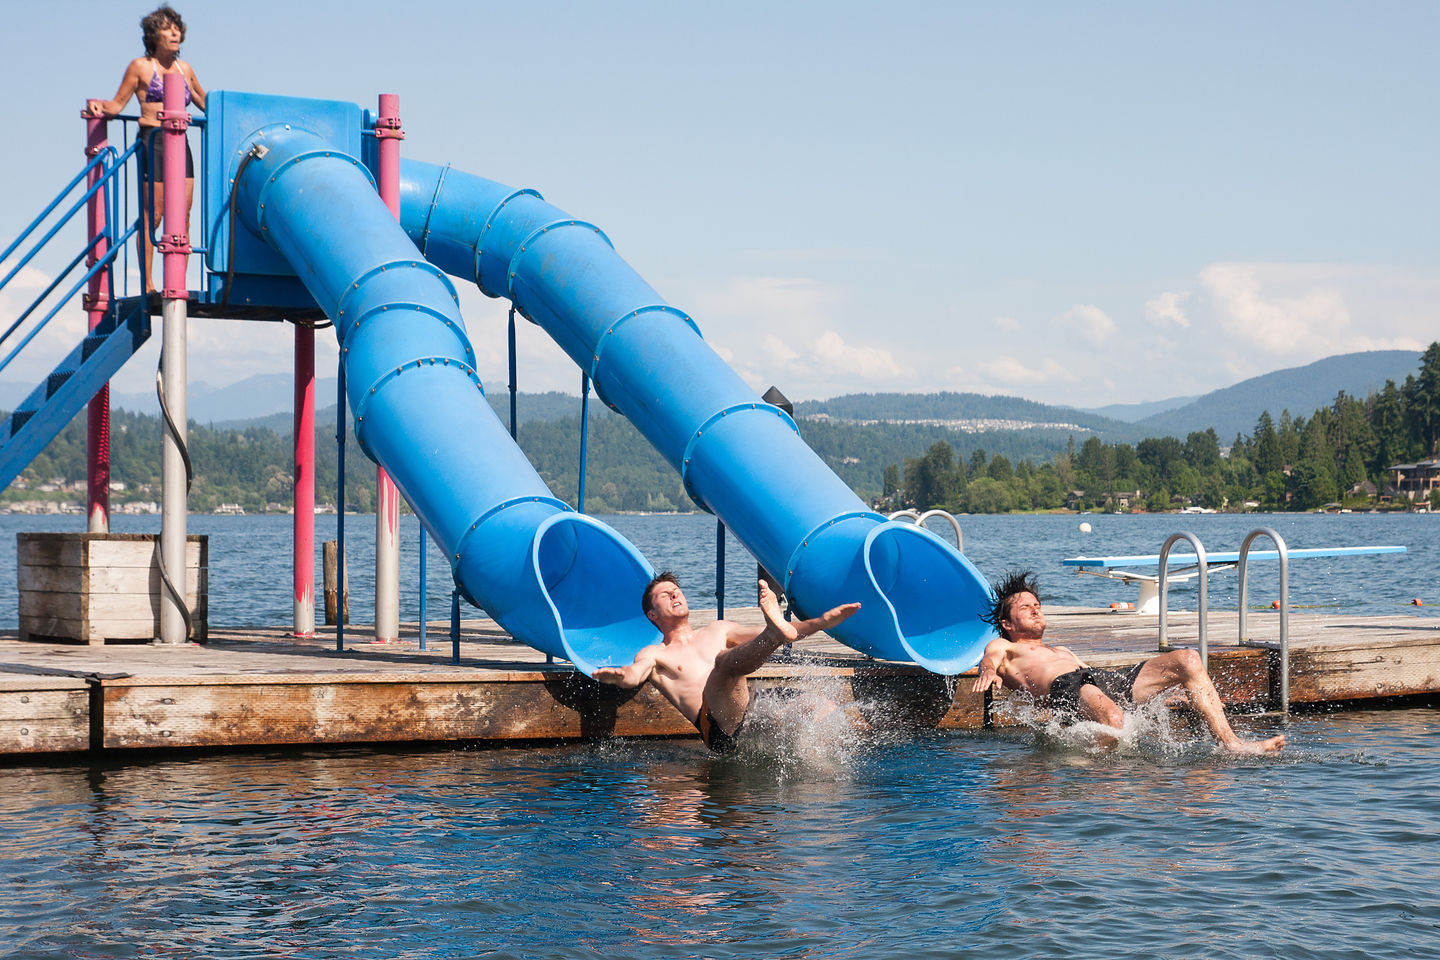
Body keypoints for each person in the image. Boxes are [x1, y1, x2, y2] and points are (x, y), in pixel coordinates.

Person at [971, 570, 1285, 754]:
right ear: (1008, 623)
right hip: (1067, 686)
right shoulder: (1004, 646)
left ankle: (1231, 743)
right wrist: (989, 673)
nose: (1037, 610)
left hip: (1093, 678)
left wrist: (1163, 692)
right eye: (1026, 608)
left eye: (1038, 605)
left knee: (1188, 660)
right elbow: (990, 659)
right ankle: (1100, 773)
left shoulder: (1062, 649)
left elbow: (1091, 685)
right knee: (1115, 719)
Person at [595, 572, 860, 753]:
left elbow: (790, 630)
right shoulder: (655, 653)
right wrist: (619, 676)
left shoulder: (717, 629)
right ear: (652, 614)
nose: (675, 596)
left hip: (748, 704)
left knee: (817, 705)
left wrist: (822, 622)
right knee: (722, 663)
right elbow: (634, 673)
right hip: (718, 728)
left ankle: (822, 779)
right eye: (665, 595)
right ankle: (772, 634)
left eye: (677, 591)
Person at [83, 6, 207, 294]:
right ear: (154, 35)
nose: (174, 32)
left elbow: (206, 101)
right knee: (155, 214)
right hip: (154, 140)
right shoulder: (140, 66)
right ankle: (149, 282)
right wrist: (100, 106)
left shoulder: (184, 69)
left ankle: (176, 280)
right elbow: (118, 104)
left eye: (177, 27)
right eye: (167, 28)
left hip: (182, 141)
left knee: (184, 214)